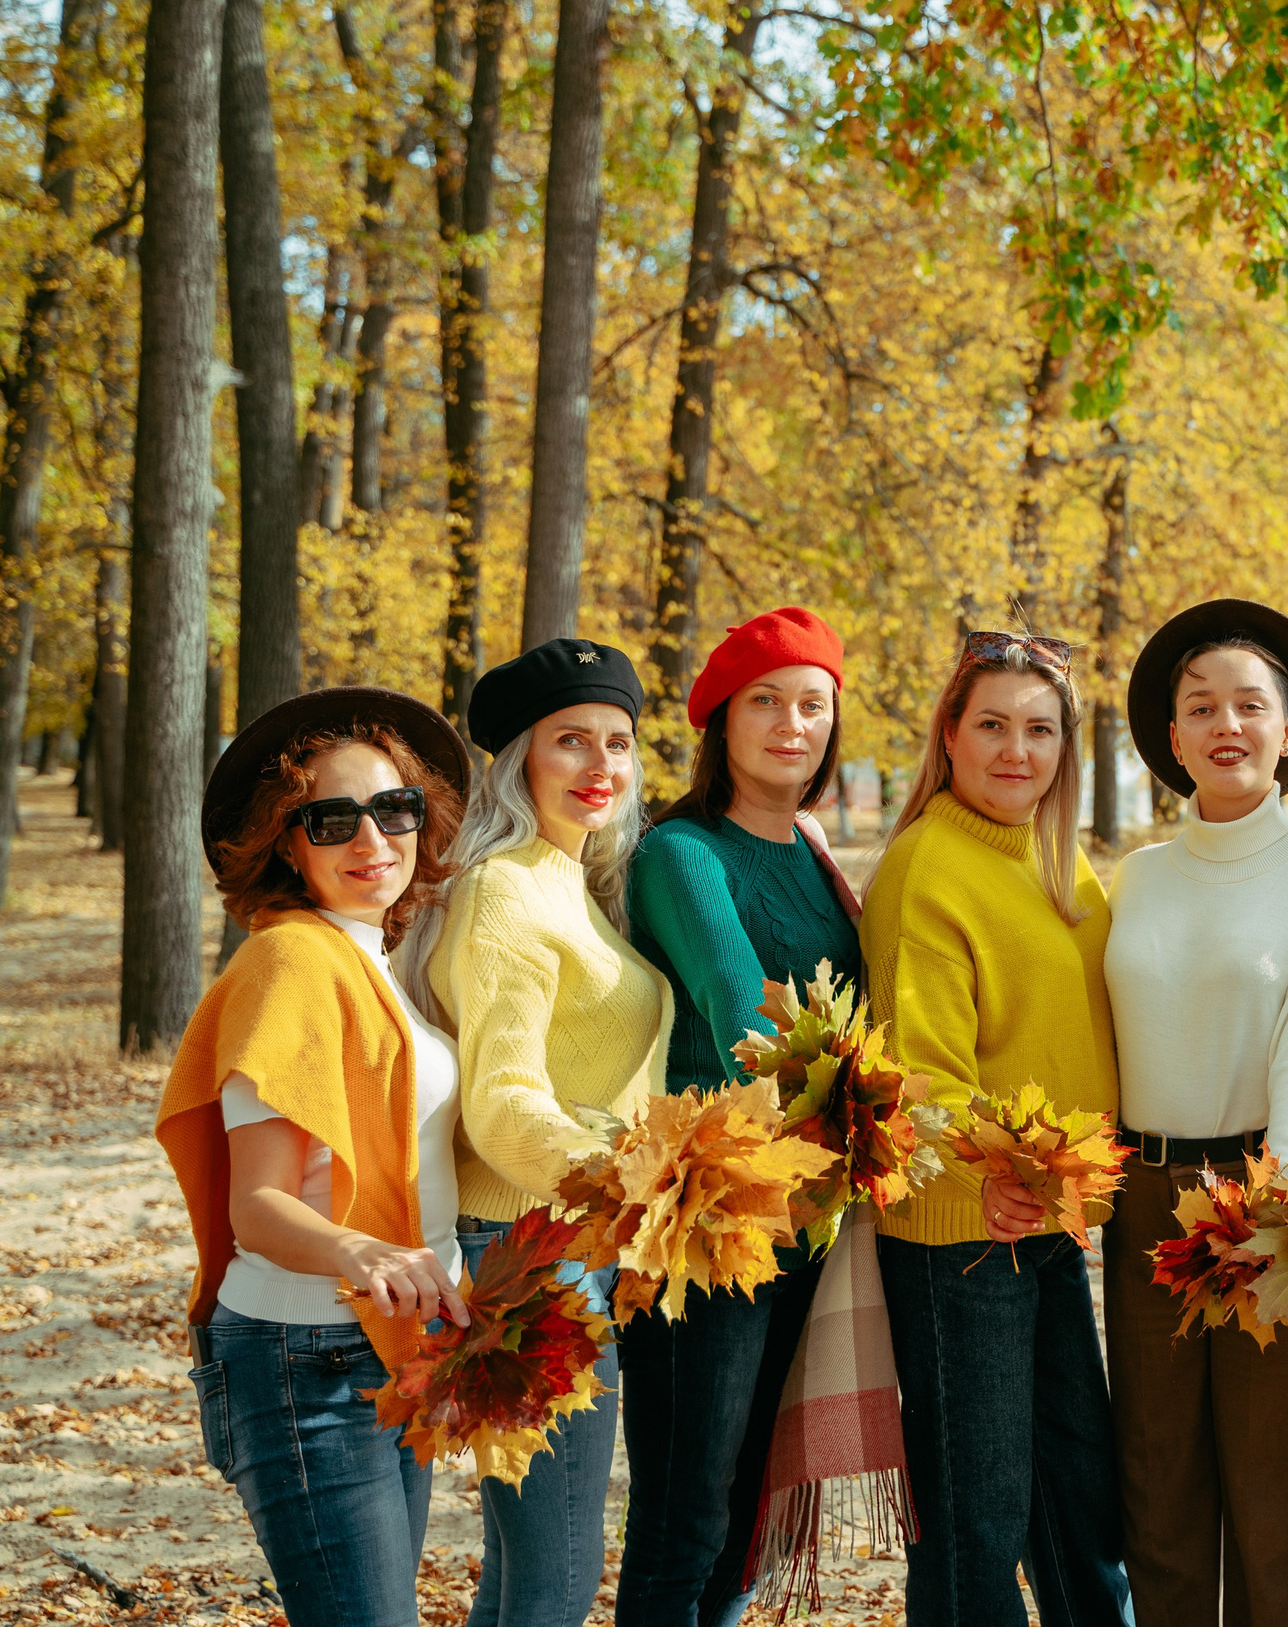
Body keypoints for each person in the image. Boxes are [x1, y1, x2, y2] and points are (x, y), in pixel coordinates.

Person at [157, 687, 473, 1627]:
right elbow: (258, 1206)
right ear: (287, 841)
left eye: (394, 808)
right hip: (313, 1358)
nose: (371, 836)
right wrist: (361, 1251)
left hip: (383, 1346)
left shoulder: (375, 956)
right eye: (331, 818)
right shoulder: (292, 960)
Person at [1101, 598, 1288, 1627]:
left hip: (1277, 1198)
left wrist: (1279, 1214)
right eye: (1201, 707)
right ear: (1170, 737)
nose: (1226, 725)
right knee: (1159, 1493)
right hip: (1141, 1204)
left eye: (1249, 706)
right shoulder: (1131, 881)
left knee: (1282, 1501)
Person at [397, 637, 673, 1627]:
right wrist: (634, 1180)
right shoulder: (505, 888)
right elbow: (504, 1103)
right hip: (534, 1247)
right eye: (572, 743)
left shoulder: (576, 881)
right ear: (519, 761)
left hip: (572, 1240)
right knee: (554, 1562)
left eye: (619, 742)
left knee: (530, 1563)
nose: (601, 767)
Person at [863, 629, 1132, 1627]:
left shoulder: (1062, 864)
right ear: (949, 733)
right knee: (977, 1521)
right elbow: (918, 1077)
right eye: (992, 726)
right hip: (958, 1236)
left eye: (1040, 729)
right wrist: (989, 1172)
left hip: (1043, 1226)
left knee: (1078, 1499)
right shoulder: (925, 868)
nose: (1016, 750)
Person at [623, 609, 870, 1622]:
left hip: (808, 1213)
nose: (790, 724)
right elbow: (740, 1019)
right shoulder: (681, 852)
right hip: (712, 1216)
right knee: (688, 1509)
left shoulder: (814, 850)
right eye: (764, 701)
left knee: (757, 1508)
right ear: (719, 721)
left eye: (811, 704)